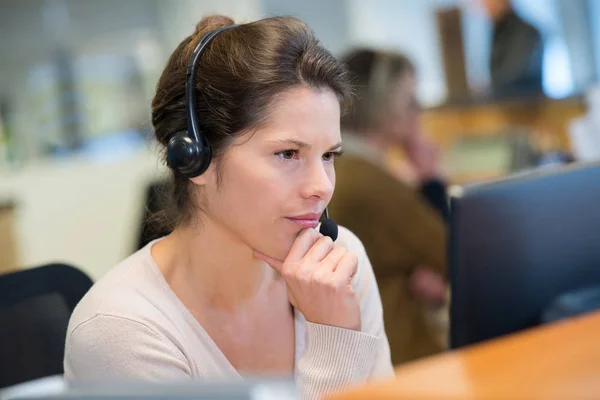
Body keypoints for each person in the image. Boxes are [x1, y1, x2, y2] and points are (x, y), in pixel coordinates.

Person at [63, 15, 393, 399]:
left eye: (329, 155)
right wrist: (335, 342)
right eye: (288, 153)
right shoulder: (122, 330)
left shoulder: (340, 266)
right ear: (195, 158)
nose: (321, 187)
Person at [327, 48, 449, 364]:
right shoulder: (369, 181)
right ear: (382, 107)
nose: (417, 110)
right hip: (403, 358)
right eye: (409, 100)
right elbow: (454, 255)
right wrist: (432, 179)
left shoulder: (343, 168)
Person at [479, 0, 544, 97]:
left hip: (525, 106)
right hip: (505, 106)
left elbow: (516, 74)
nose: (484, 6)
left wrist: (488, 88)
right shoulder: (497, 31)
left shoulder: (526, 32)